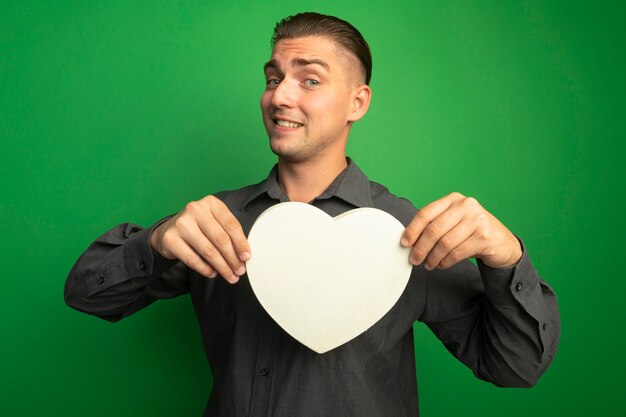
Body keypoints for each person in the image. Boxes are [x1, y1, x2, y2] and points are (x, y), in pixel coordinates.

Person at [65, 12, 560, 417]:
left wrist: (505, 256)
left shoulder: (405, 233)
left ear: (357, 102)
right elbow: (88, 296)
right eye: (273, 78)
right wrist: (155, 240)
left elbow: (515, 366)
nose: (280, 95)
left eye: (310, 79)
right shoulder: (215, 222)